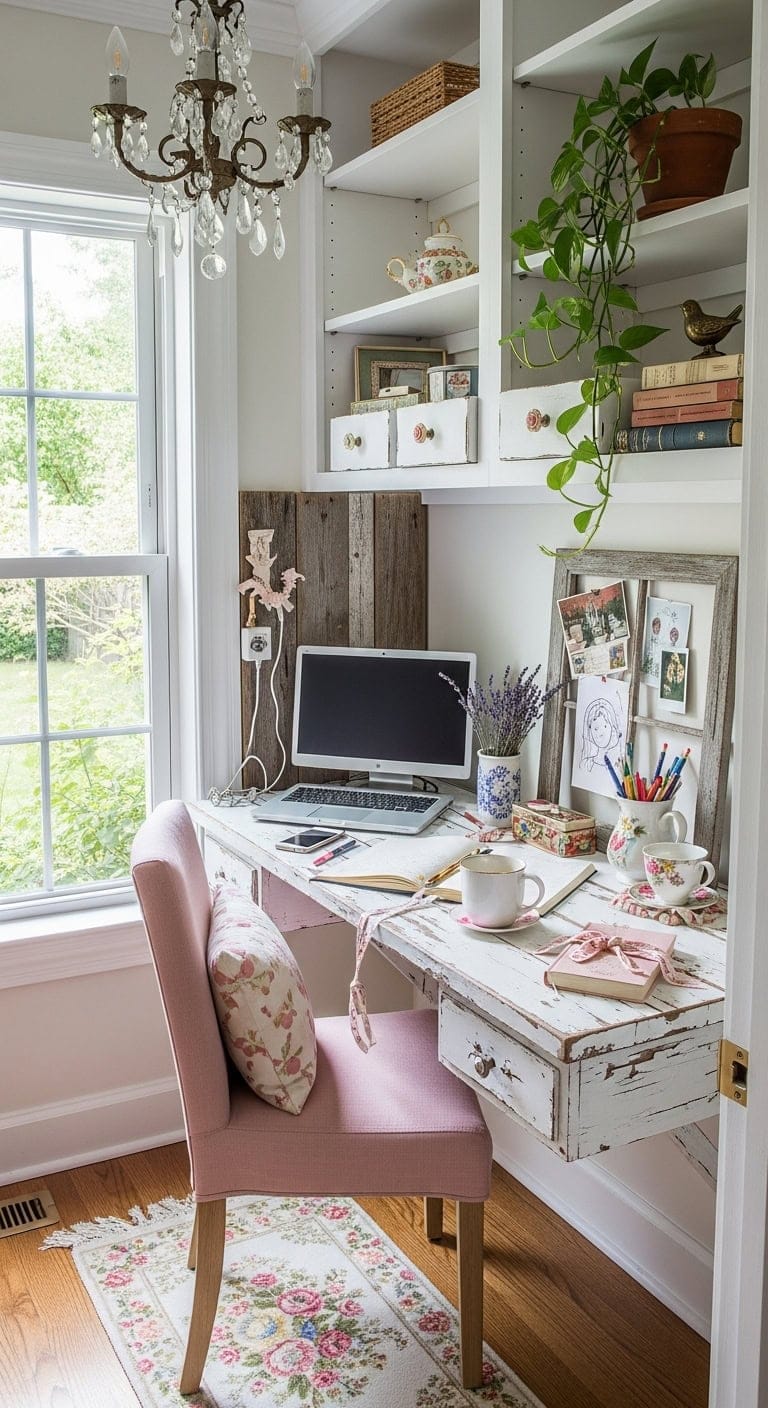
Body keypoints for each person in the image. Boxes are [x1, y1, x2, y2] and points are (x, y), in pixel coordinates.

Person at [581, 696, 622, 771]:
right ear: (590, 730)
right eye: (596, 729)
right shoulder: (588, 764)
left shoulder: (618, 763)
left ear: (612, 728)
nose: (600, 733)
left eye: (605, 726)